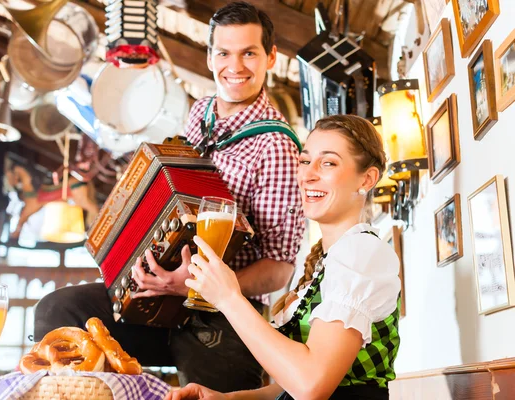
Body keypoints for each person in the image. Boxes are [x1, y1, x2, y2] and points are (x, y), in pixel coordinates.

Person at [33, 1, 305, 392]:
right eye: (224, 53)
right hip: (158, 300)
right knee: (59, 309)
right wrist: (141, 266)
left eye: (249, 53)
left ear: (271, 57)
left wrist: (193, 285)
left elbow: (279, 268)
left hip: (221, 316)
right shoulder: (201, 113)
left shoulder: (277, 145)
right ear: (210, 56)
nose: (236, 66)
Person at [167, 115, 402, 400]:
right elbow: (288, 388)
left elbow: (311, 386)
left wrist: (229, 298)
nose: (308, 174)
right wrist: (223, 399)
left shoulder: (362, 253)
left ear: (367, 179)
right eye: (305, 161)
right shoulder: (328, 263)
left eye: (328, 163)